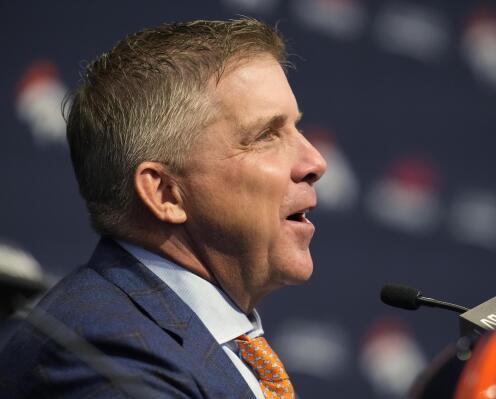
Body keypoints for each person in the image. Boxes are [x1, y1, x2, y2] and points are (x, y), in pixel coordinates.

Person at [0, 18, 326, 399]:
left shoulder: (208, 341)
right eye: (267, 136)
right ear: (166, 193)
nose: (315, 162)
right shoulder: (102, 353)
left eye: (297, 128)